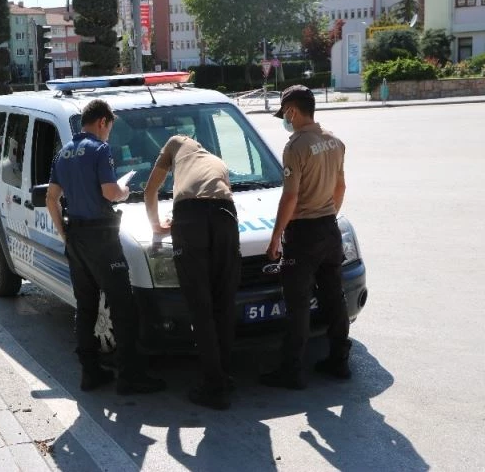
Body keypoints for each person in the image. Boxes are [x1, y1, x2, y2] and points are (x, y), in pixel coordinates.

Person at [46, 99, 165, 395]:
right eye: (109, 127)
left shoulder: (63, 153)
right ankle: (130, 376)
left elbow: (51, 198)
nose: (109, 133)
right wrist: (124, 191)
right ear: (102, 121)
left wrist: (64, 234)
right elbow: (110, 193)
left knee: (85, 307)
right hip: (101, 236)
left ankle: (90, 373)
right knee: (123, 306)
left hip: (76, 237)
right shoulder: (100, 150)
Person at [261, 85, 350, 389]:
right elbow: (340, 188)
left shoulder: (295, 146)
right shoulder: (334, 141)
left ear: (292, 111)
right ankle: (339, 360)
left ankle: (291, 371)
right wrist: (328, 215)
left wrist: (275, 239)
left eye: (284, 114)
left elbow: (290, 198)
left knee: (298, 306)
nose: (284, 119)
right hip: (329, 229)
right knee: (333, 297)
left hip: (303, 234)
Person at [144, 134, 241, 410]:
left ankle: (213, 386)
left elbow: (151, 190)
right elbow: (221, 201)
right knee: (224, 302)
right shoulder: (216, 161)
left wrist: (156, 225)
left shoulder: (173, 144)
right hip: (225, 215)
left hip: (189, 215)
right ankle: (223, 374)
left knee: (200, 306)